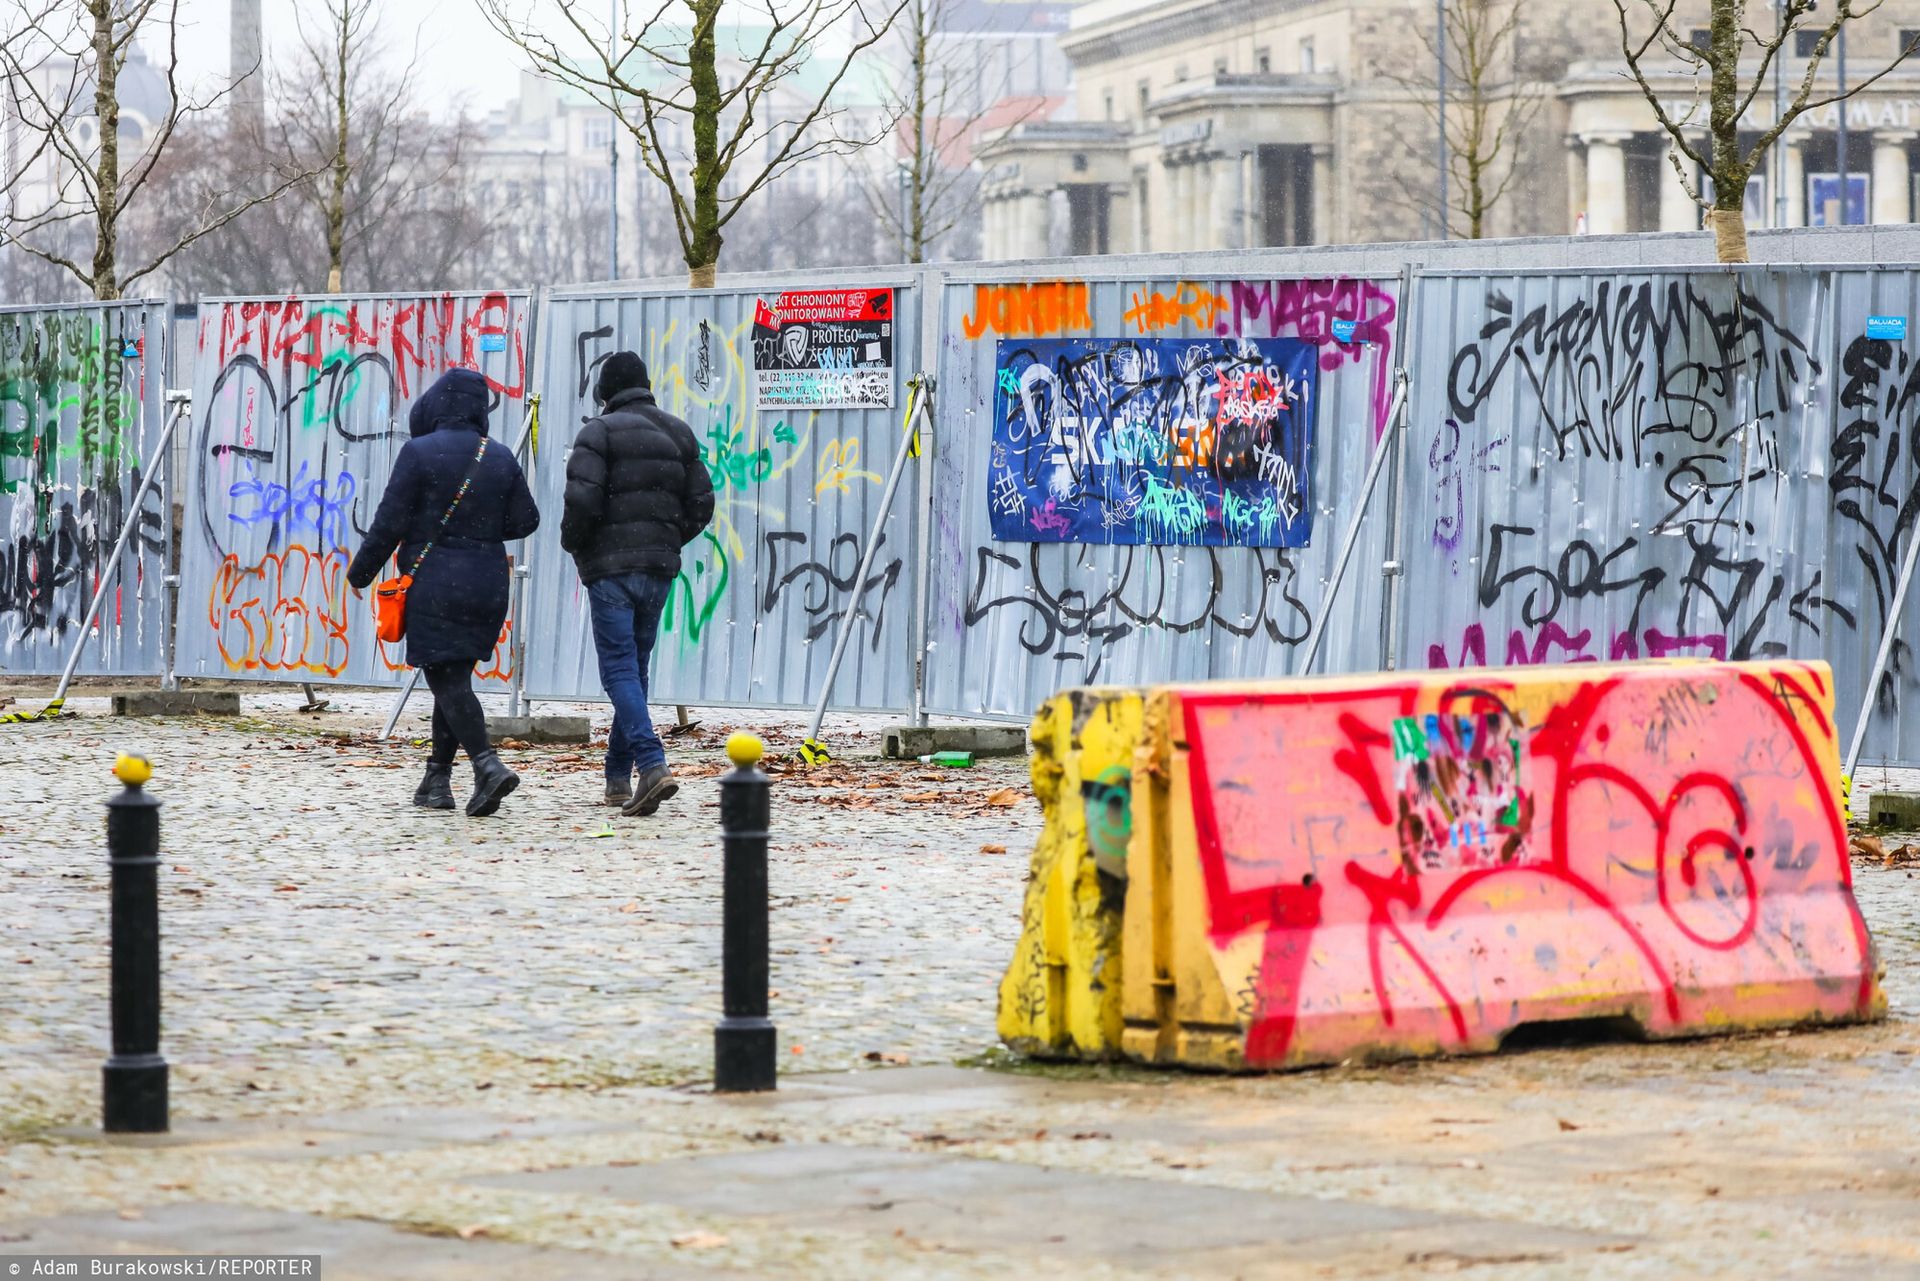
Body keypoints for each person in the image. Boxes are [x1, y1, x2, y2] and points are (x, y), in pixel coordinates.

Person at [348, 367, 540, 817]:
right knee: (455, 679)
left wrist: (361, 573)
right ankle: (437, 780)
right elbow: (526, 520)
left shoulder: (419, 453)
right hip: (488, 584)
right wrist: (483, 529)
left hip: (435, 582)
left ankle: (487, 765)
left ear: (436, 404)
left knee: (445, 678)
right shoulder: (499, 457)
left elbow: (389, 521)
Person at [561, 351, 714, 816]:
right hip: (657, 569)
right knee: (636, 669)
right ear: (646, 386)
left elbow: (581, 502)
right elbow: (701, 504)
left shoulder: (597, 433)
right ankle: (615, 776)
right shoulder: (678, 432)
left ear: (605, 393)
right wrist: (667, 541)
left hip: (611, 570)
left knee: (619, 671)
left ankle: (651, 765)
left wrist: (578, 546)